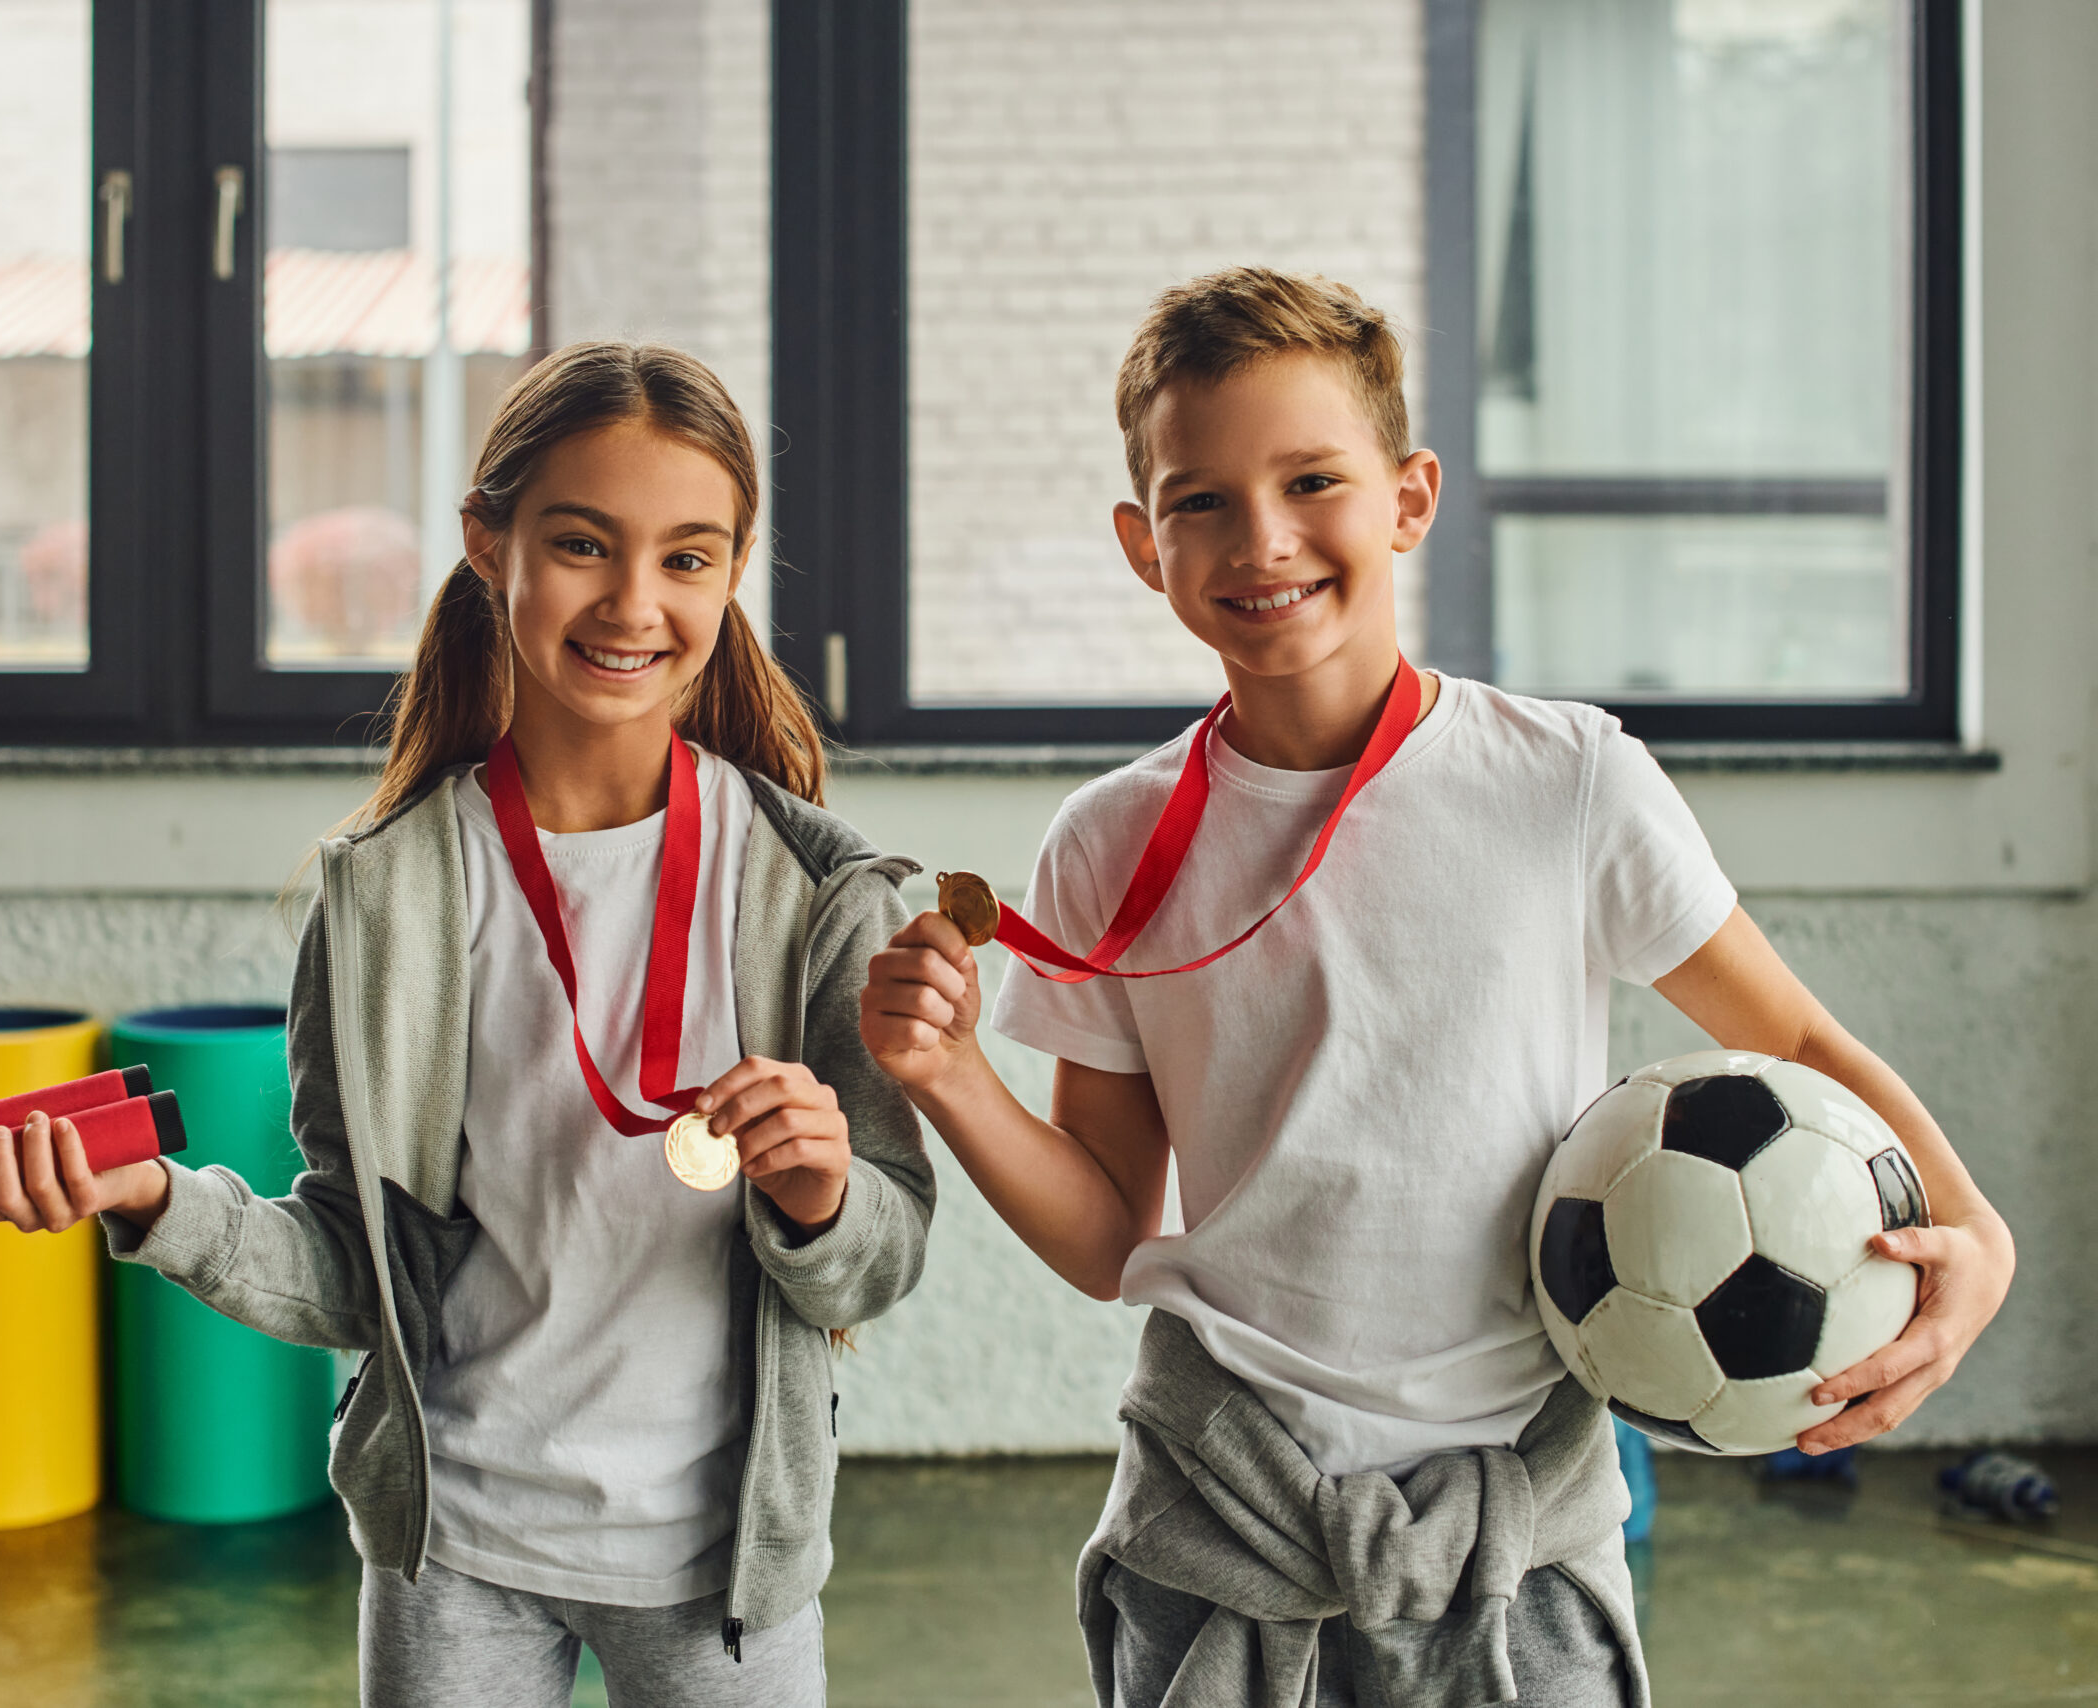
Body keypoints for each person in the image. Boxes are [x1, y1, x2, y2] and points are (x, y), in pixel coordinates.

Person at [861, 267, 2013, 1707]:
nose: (1260, 538)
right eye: (1199, 499)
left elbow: (1788, 1036)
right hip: (1226, 1523)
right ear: (1141, 545)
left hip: (1517, 1525)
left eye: (1311, 481)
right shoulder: (1107, 841)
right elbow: (1108, 1239)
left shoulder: (1567, 780)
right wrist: (953, 1081)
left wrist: (1976, 1239)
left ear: (1408, 499)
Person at [0, 341, 934, 1708]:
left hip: (723, 1573)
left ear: (734, 568)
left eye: (689, 557)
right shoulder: (384, 892)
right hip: (452, 1552)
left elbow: (879, 1264)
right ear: (488, 544)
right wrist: (158, 1201)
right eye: (583, 544)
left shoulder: (827, 897)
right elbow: (356, 1264)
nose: (634, 601)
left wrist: (824, 1197)